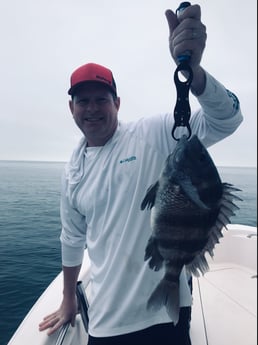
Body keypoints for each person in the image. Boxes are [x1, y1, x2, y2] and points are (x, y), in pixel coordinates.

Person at [39, 4, 243, 345]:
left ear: (117, 103)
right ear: (71, 108)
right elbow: (72, 238)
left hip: (165, 315)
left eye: (101, 99)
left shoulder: (156, 132)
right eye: (82, 100)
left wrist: (197, 73)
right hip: (105, 320)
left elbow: (227, 119)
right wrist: (68, 297)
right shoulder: (73, 170)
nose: (91, 109)